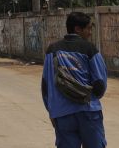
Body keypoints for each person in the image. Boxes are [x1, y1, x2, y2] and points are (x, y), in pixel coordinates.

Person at [42, 12, 108, 148]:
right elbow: (100, 84)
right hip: (88, 112)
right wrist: (89, 97)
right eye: (88, 28)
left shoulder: (52, 50)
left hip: (62, 113)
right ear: (78, 29)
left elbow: (45, 85)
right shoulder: (90, 49)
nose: (90, 33)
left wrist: (52, 111)